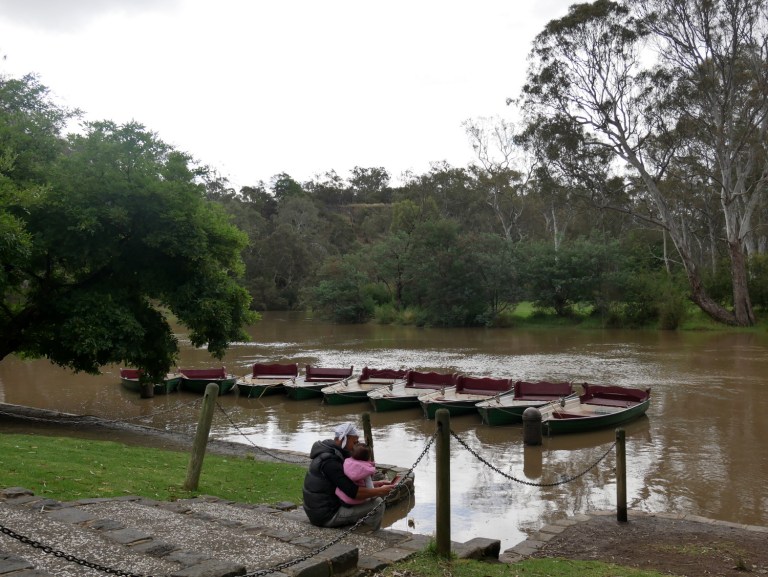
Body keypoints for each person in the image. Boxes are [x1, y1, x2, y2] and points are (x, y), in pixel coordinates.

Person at [302, 422, 394, 530]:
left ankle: (363, 527)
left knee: (372, 496)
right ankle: (370, 534)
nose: (356, 446)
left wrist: (377, 484)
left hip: (322, 511)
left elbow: (345, 483)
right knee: (377, 503)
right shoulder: (330, 462)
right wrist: (380, 491)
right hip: (326, 516)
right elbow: (352, 491)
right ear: (343, 439)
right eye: (354, 442)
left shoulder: (332, 453)